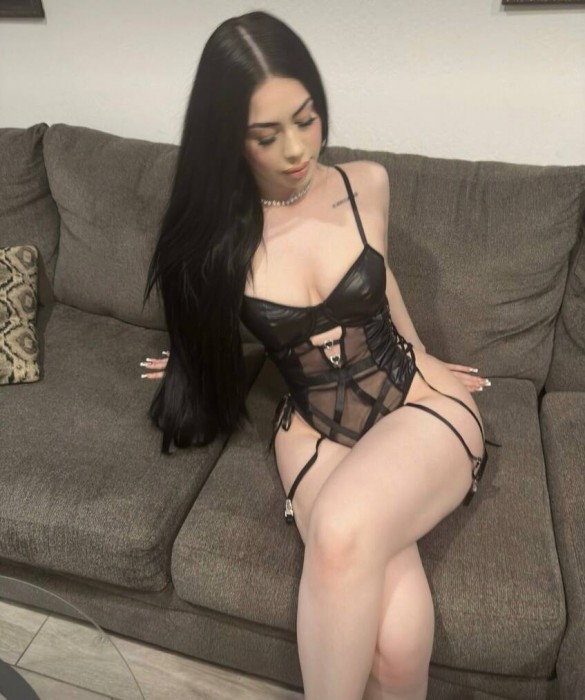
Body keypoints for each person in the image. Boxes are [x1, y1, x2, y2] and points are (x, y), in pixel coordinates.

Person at [140, 11, 491, 700]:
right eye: (266, 135)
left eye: (306, 118)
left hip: (415, 402)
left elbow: (381, 283)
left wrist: (425, 353)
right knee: (395, 646)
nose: (297, 148)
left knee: (338, 525)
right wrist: (186, 361)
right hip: (312, 427)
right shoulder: (215, 241)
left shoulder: (367, 184)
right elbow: (203, 331)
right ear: (227, 138)